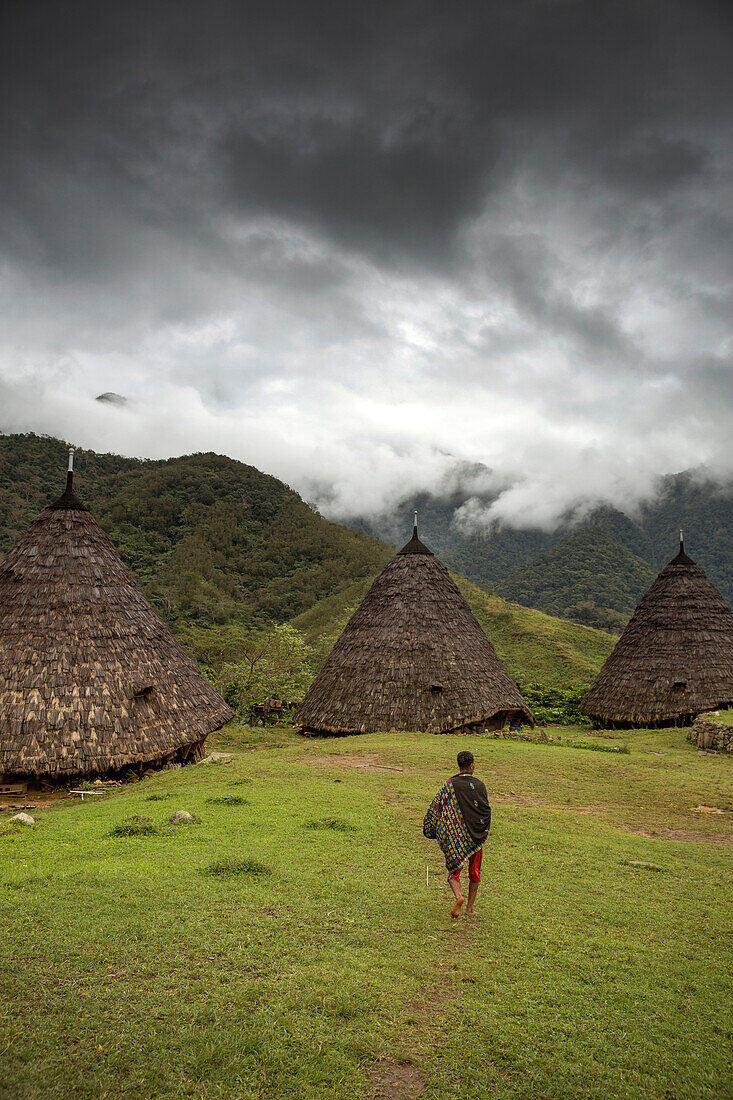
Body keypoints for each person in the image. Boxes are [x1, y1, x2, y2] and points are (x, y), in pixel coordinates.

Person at [423, 750, 491, 919]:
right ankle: (469, 908)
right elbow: (485, 810)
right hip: (476, 837)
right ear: (472, 764)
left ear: (459, 765)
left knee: (454, 868)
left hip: (455, 838)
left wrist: (441, 828)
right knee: (475, 871)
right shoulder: (480, 785)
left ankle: (458, 896)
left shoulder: (449, 784)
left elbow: (436, 807)